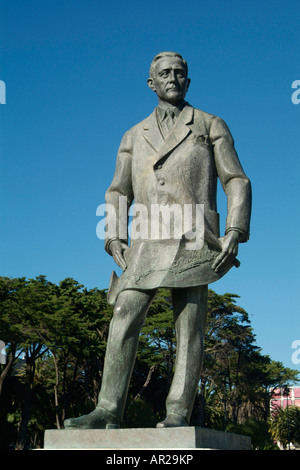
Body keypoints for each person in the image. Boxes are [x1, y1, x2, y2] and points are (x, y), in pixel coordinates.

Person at [64, 52, 251, 429]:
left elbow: (236, 180)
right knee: (123, 313)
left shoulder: (210, 124)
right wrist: (114, 234)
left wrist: (235, 230)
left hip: (195, 239)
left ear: (188, 82)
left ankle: (178, 411)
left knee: (190, 326)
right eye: (164, 73)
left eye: (180, 73)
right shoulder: (134, 134)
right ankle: (107, 409)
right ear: (151, 83)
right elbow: (118, 190)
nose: (173, 78)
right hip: (147, 239)